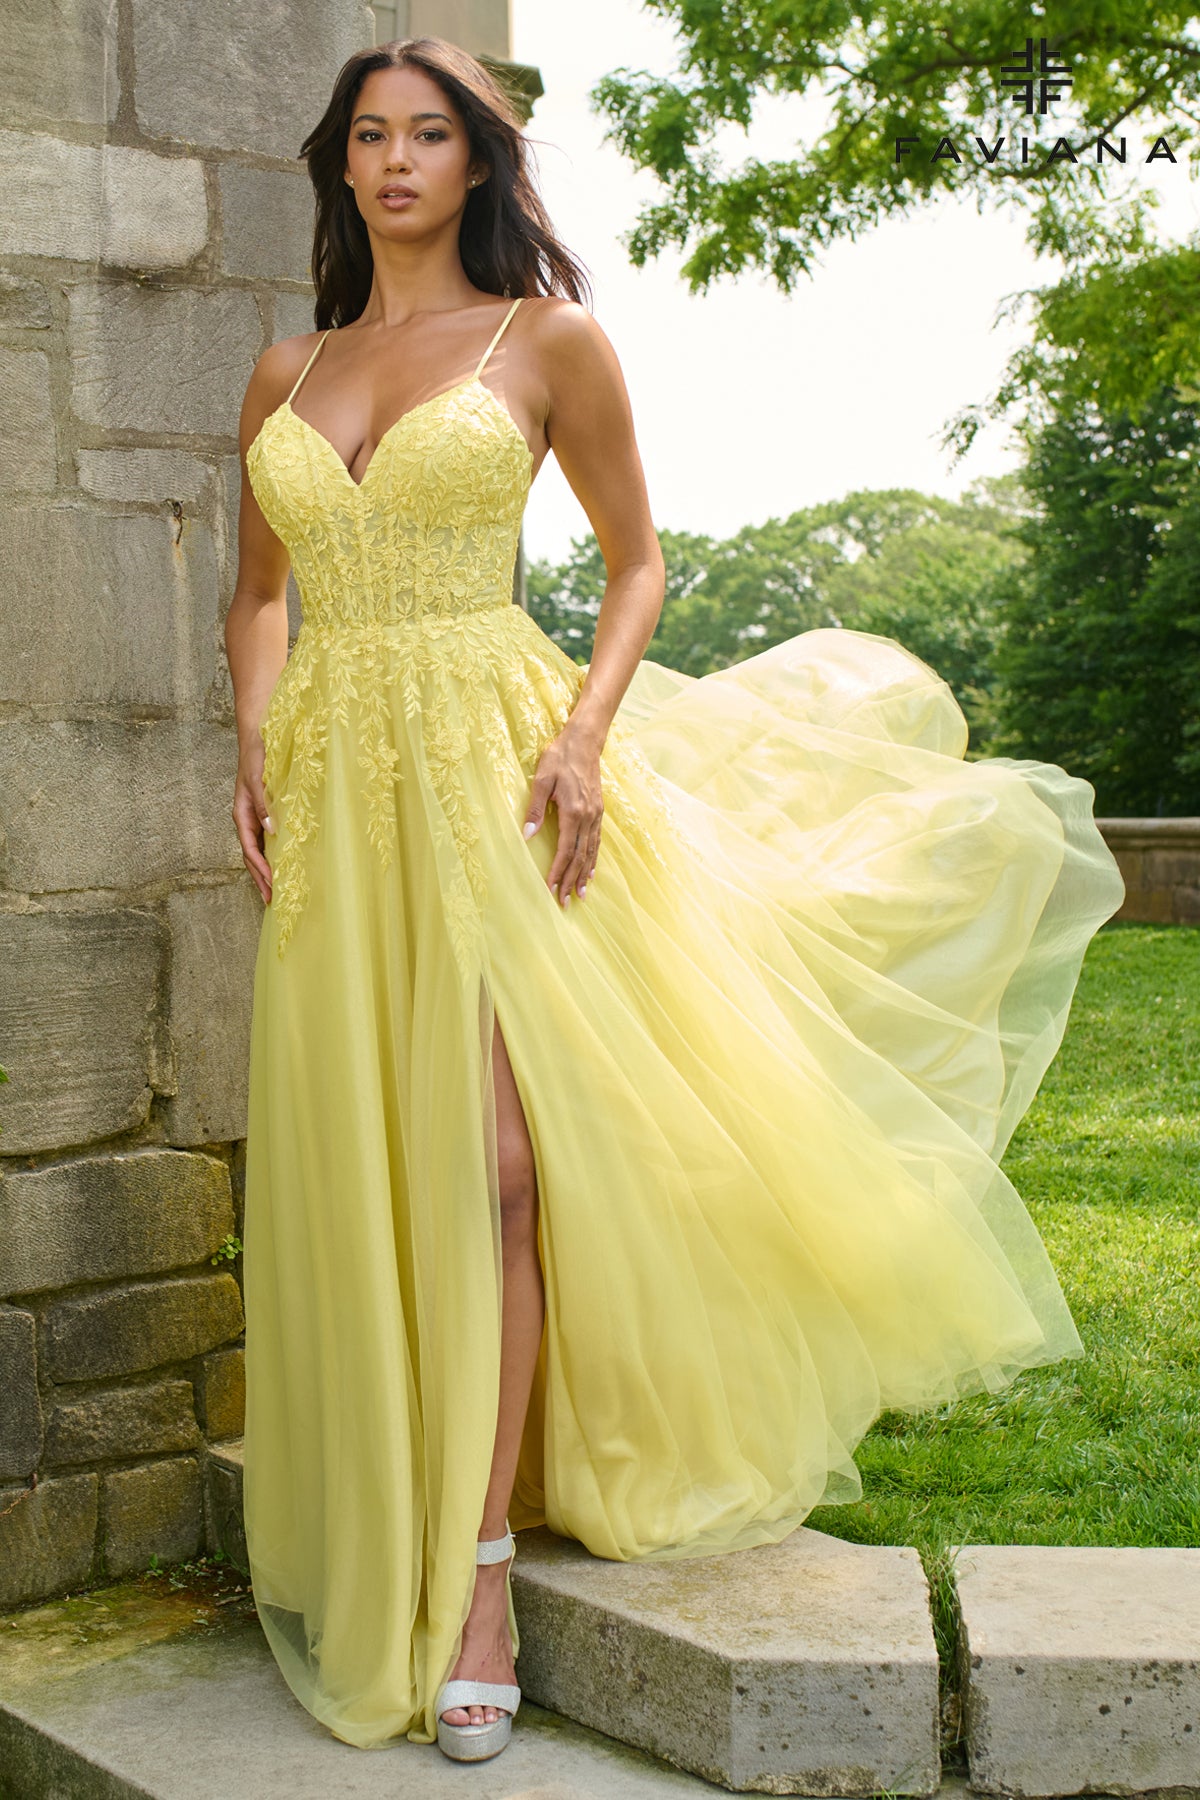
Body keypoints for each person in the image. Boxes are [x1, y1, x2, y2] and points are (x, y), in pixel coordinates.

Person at [226, 32, 1125, 1769]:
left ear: (478, 164)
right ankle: (388, 1504)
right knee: (364, 1152)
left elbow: (638, 562)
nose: (398, 160)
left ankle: (479, 1580)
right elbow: (260, 596)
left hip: (497, 765)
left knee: (498, 1162)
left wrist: (581, 737)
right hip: (339, 790)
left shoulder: (544, 341)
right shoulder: (286, 369)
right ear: (341, 166)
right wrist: (250, 742)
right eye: (371, 136)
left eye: (431, 134)